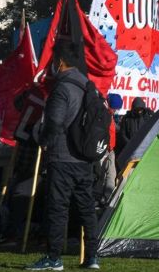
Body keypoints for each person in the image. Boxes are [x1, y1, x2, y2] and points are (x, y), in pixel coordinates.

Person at [26, 43, 100, 271]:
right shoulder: (88, 87)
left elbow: (55, 121)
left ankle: (54, 256)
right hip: (84, 157)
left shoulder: (62, 88)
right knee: (87, 208)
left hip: (63, 156)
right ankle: (91, 257)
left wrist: (42, 139)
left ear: (59, 62)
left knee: (58, 208)